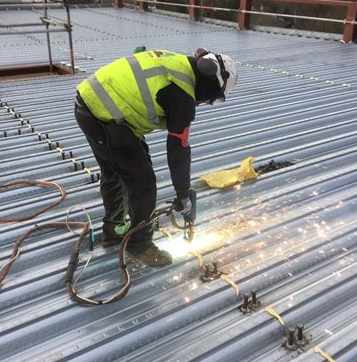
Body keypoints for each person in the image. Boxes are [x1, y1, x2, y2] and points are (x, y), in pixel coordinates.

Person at [74, 48, 238, 267]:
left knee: (117, 169)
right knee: (144, 184)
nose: (207, 103)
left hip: (88, 104)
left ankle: (114, 229)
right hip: (105, 116)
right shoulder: (182, 95)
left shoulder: (178, 64)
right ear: (211, 85)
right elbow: (178, 150)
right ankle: (139, 246)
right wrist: (183, 194)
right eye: (213, 99)